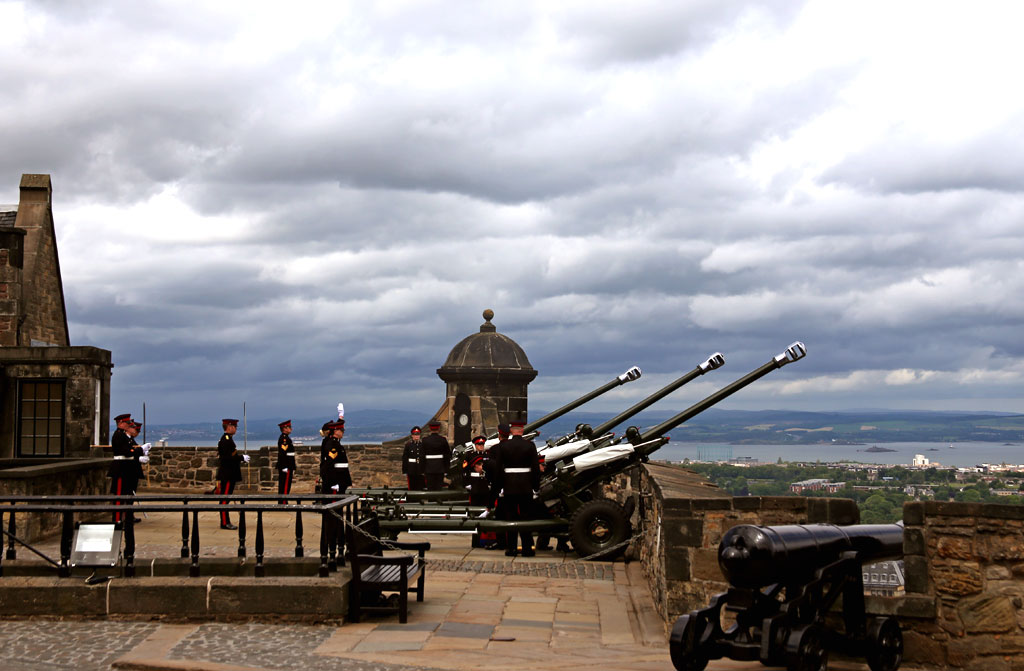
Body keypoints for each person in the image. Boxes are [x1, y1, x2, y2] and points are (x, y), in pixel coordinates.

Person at [491, 420, 541, 557]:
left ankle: (511, 548)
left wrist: (499, 487)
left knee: (510, 517)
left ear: (512, 431)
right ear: (522, 430)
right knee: (526, 518)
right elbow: (536, 469)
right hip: (525, 487)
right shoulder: (530, 445)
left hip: (509, 486)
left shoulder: (504, 446)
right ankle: (527, 548)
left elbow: (498, 469)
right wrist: (535, 487)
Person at [320, 420, 351, 566]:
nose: (342, 432)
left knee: (337, 512)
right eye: (341, 430)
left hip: (340, 481)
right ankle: (333, 536)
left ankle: (337, 533)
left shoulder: (335, 443)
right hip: (335, 483)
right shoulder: (332, 445)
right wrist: (334, 482)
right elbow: (329, 466)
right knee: (334, 512)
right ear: (335, 432)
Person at [215, 418, 249, 530]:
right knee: (225, 499)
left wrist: (240, 459)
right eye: (234, 426)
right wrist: (241, 458)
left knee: (226, 498)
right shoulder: (226, 440)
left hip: (229, 473)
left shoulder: (228, 439)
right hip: (228, 474)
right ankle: (224, 522)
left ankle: (225, 521)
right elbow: (227, 458)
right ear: (229, 427)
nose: (235, 429)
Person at [108, 413, 134, 523]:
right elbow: (126, 451)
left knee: (125, 493)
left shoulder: (122, 435)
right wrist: (139, 451)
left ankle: (123, 517)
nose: (128, 425)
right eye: (126, 423)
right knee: (120, 494)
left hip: (125, 468)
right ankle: (118, 519)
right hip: (120, 468)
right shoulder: (118, 435)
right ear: (120, 423)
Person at [420, 420, 451, 490]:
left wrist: (422, 470)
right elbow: (447, 455)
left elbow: (422, 456)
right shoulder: (443, 440)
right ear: (439, 429)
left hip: (428, 468)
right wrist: (446, 469)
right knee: (439, 488)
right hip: (440, 468)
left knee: (430, 488)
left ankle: (431, 501)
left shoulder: (425, 440)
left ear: (430, 429)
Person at [275, 420, 297, 503]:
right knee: (285, 484)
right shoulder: (284, 439)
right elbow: (283, 453)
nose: (291, 429)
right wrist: (284, 466)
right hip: (286, 464)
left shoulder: (286, 438)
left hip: (288, 464)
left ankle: (283, 500)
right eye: (289, 427)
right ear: (284, 428)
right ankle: (283, 501)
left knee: (286, 484)